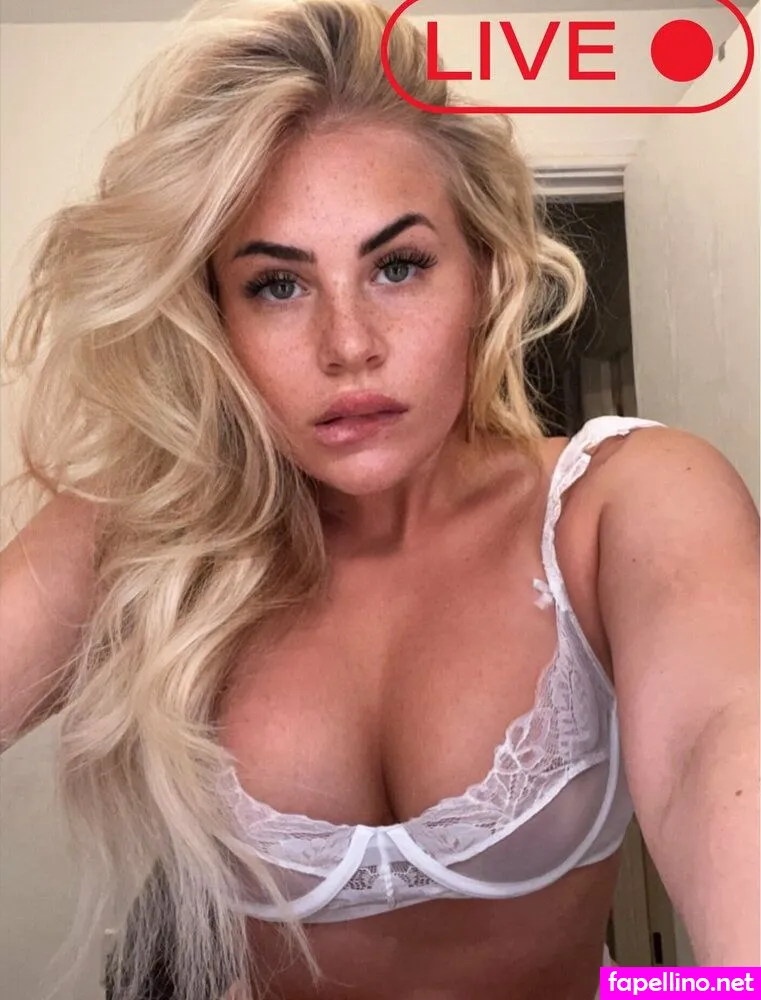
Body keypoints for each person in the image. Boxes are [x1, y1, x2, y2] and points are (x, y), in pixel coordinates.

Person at [0, 1, 758, 998]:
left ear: (483, 273)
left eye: (397, 266)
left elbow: (717, 746)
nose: (347, 344)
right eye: (277, 285)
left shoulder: (618, 501)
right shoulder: (152, 530)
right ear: (215, 315)